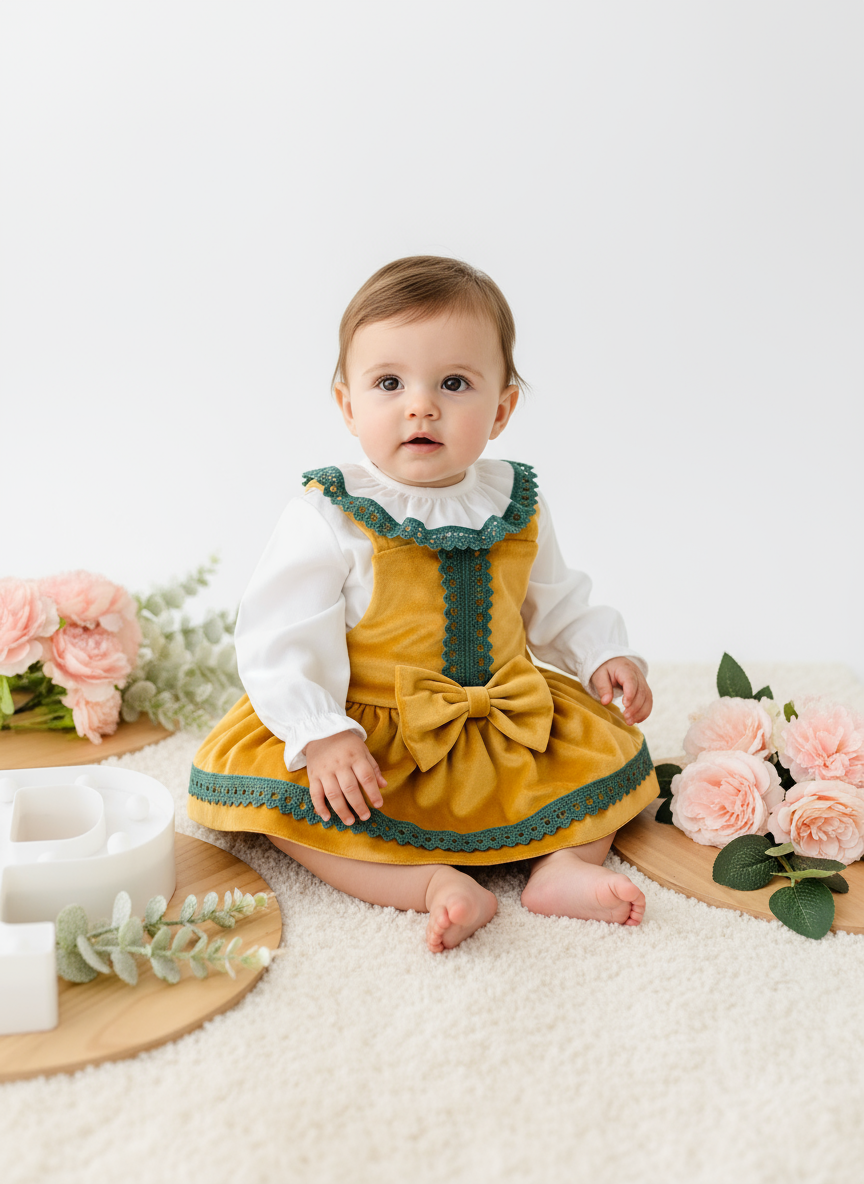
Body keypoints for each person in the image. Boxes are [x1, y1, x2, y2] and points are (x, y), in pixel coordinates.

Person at [187, 255, 659, 952]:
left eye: (455, 383)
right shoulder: (332, 515)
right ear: (348, 405)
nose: (421, 405)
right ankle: (433, 885)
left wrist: (600, 653)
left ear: (501, 410)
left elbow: (553, 599)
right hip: (373, 738)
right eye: (389, 383)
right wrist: (320, 731)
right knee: (301, 818)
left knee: (615, 776)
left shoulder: (515, 503)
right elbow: (278, 634)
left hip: (504, 719)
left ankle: (562, 870)